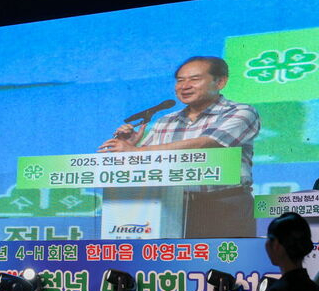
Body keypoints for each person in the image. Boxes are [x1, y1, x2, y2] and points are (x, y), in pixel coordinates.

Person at [98, 56, 261, 237]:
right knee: (176, 255)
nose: (185, 86)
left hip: (225, 204)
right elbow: (145, 161)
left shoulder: (240, 112)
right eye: (180, 80)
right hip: (174, 206)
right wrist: (130, 147)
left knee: (226, 256)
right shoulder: (165, 121)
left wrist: (136, 151)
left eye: (194, 79)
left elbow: (207, 143)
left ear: (220, 82)